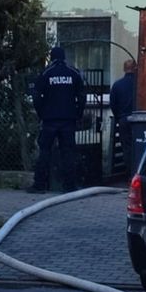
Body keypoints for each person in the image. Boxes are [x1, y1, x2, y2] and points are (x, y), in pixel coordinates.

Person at [28, 45, 87, 193]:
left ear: (52, 57)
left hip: (49, 120)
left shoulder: (46, 73)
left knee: (45, 151)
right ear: (64, 57)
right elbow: (82, 96)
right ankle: (69, 186)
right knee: (68, 152)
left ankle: (40, 185)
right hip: (68, 119)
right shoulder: (73, 73)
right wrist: (78, 114)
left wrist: (41, 113)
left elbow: (36, 96)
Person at [109, 59, 137, 171]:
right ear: (135, 68)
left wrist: (118, 117)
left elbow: (113, 104)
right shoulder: (139, 84)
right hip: (138, 119)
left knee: (126, 147)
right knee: (139, 145)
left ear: (124, 69)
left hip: (123, 119)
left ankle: (130, 173)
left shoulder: (117, 85)